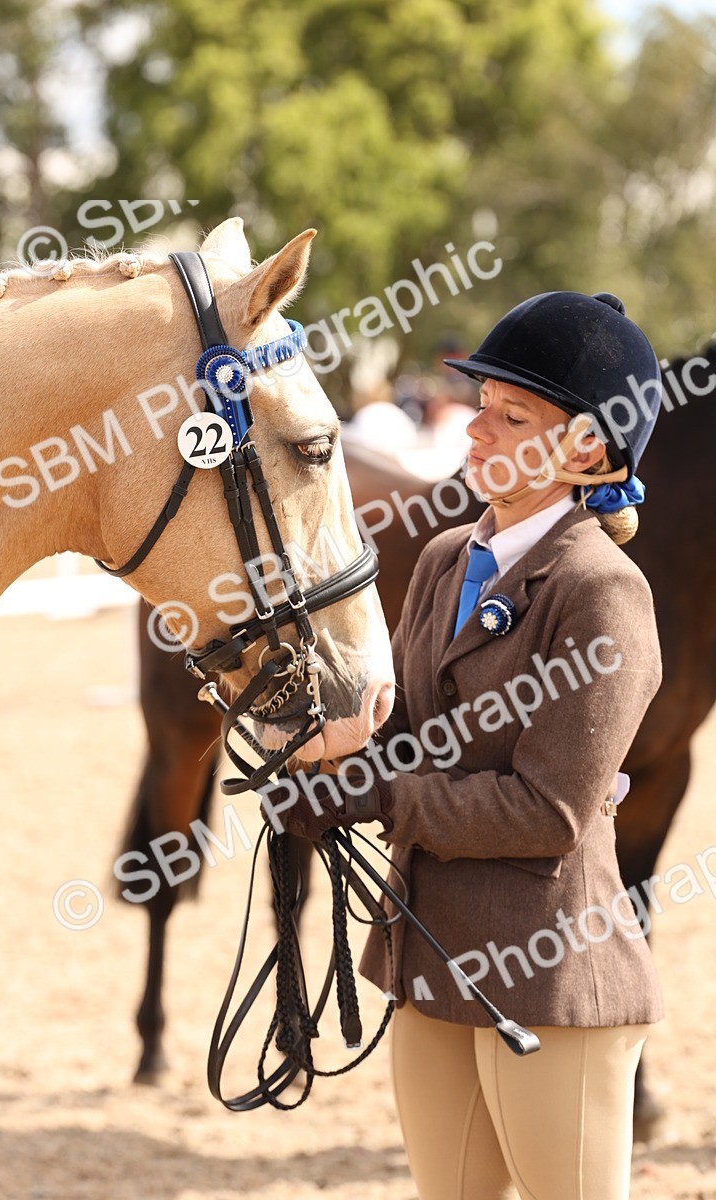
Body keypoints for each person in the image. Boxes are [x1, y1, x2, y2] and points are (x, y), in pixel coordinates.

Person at [261, 291, 664, 1200]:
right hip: (430, 950)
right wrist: (318, 761)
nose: (477, 432)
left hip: (551, 972)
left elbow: (549, 812)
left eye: (512, 417)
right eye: (481, 409)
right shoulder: (445, 558)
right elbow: (401, 732)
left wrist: (376, 796)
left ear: (588, 448)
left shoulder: (602, 591)